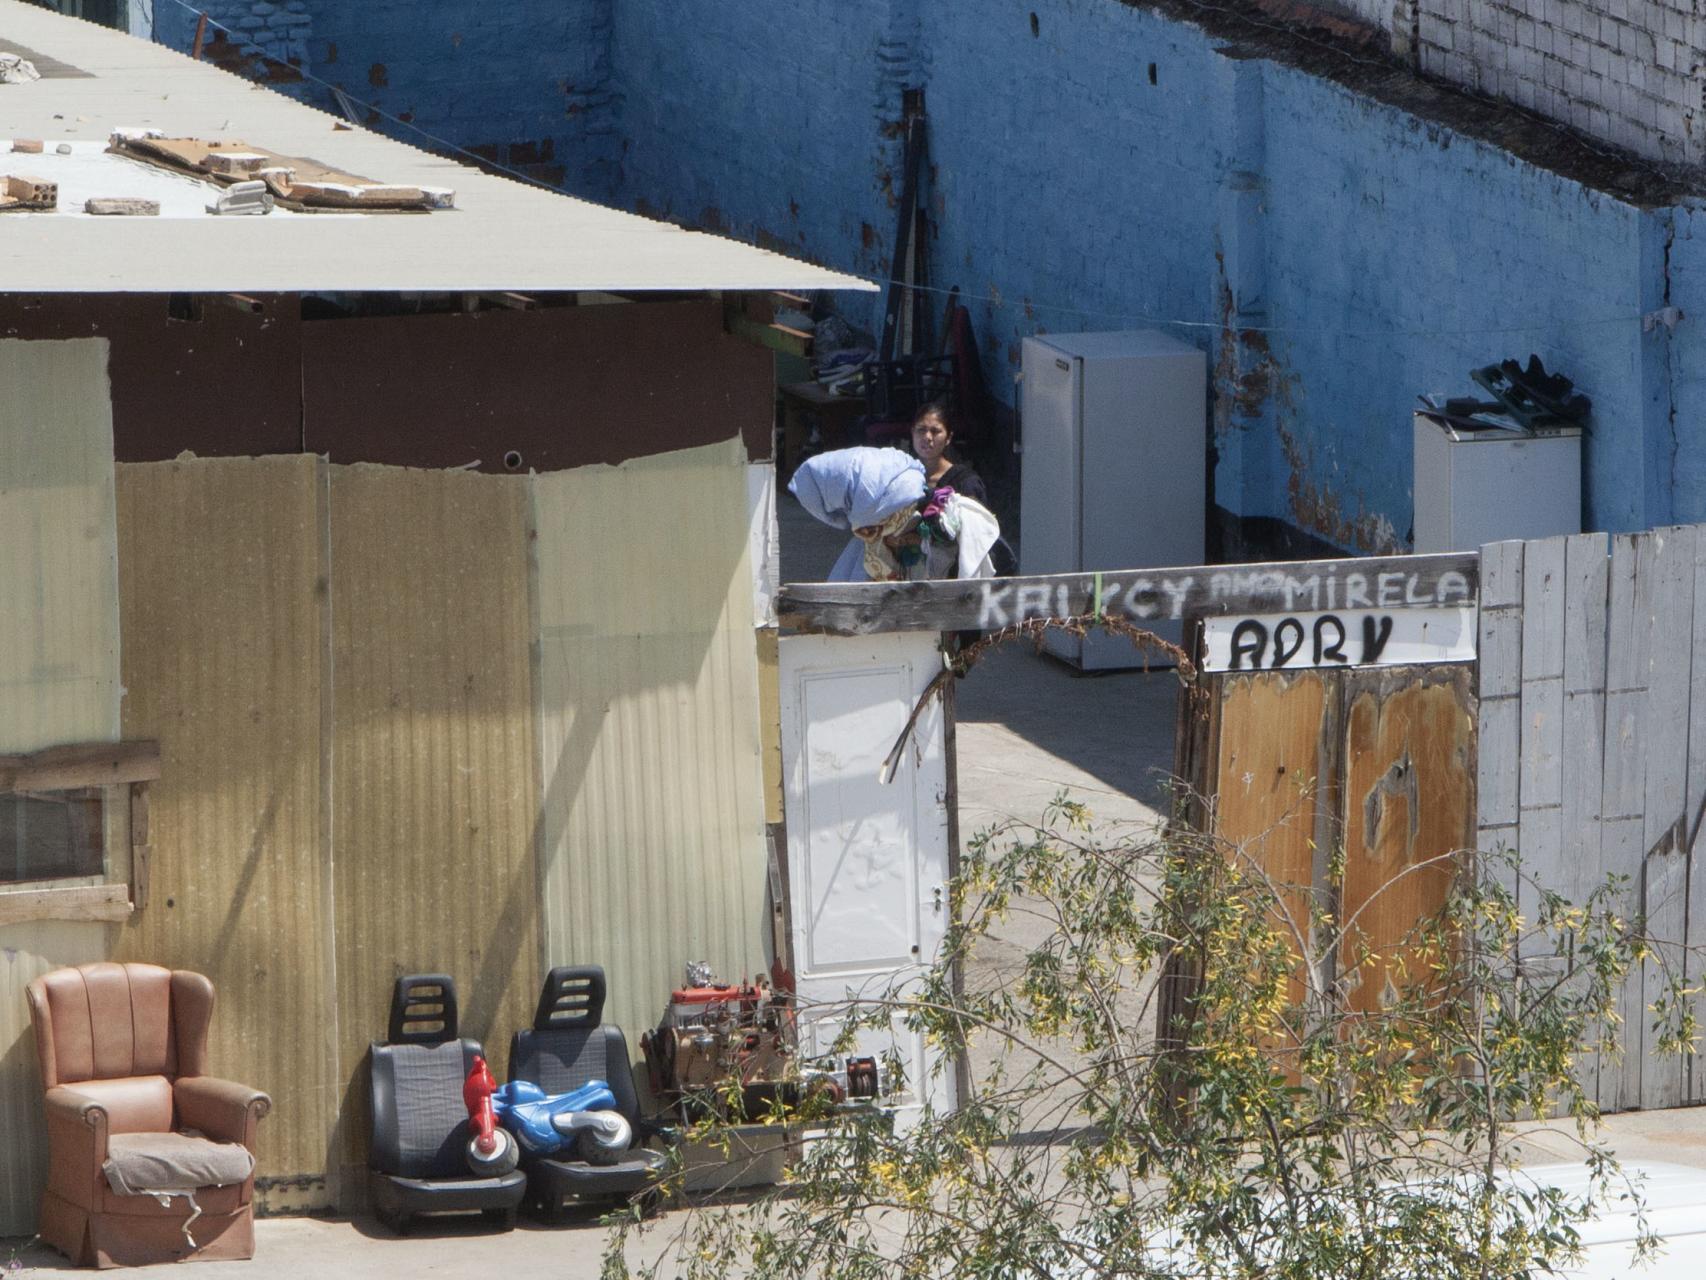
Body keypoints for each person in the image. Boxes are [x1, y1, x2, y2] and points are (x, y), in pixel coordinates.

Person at [789, 446, 1000, 582]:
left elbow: (865, 514)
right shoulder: (857, 463)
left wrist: (862, 525)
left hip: (904, 498)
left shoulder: (855, 484)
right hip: (910, 490)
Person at [909, 401, 988, 507]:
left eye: (935, 431)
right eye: (921, 430)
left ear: (948, 438)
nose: (927, 437)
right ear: (912, 433)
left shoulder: (966, 483)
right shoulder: (900, 477)